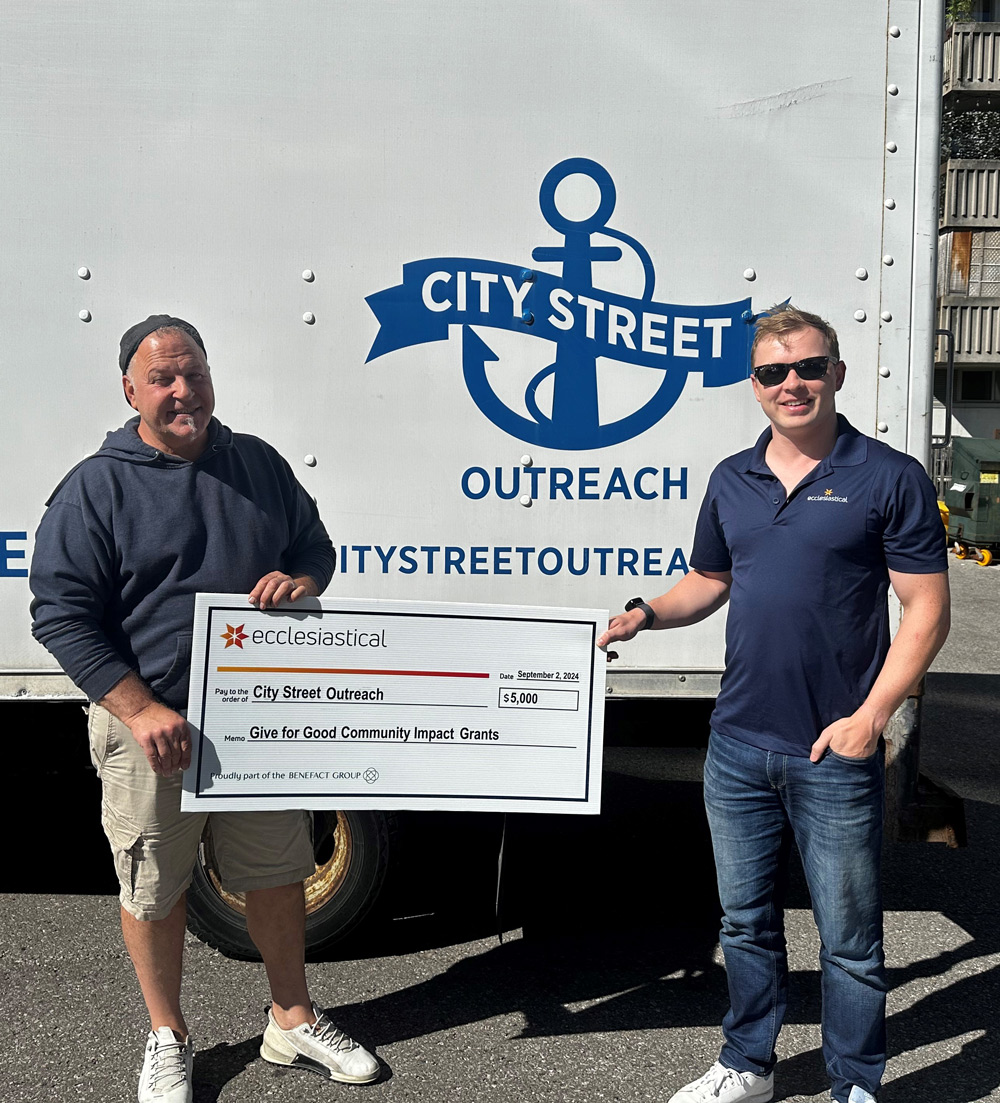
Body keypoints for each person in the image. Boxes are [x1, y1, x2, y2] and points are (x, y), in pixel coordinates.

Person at [598, 305, 950, 1103]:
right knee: (743, 923)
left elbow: (926, 611)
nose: (792, 383)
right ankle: (748, 1063)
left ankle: (855, 1081)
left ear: (837, 375)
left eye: (808, 367)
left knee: (851, 941)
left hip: (835, 746)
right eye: (772, 372)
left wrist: (872, 718)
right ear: (753, 386)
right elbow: (710, 581)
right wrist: (647, 613)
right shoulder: (733, 477)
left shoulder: (889, 476)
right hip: (736, 744)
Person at [30, 316, 380, 1102]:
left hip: (254, 722)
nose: (182, 389)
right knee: (153, 885)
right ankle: (167, 1034)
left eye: (193, 373)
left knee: (278, 872)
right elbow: (58, 611)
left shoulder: (257, 463)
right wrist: (137, 707)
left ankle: (290, 1017)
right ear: (131, 390)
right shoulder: (99, 484)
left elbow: (314, 546)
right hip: (147, 726)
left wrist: (304, 582)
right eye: (163, 378)